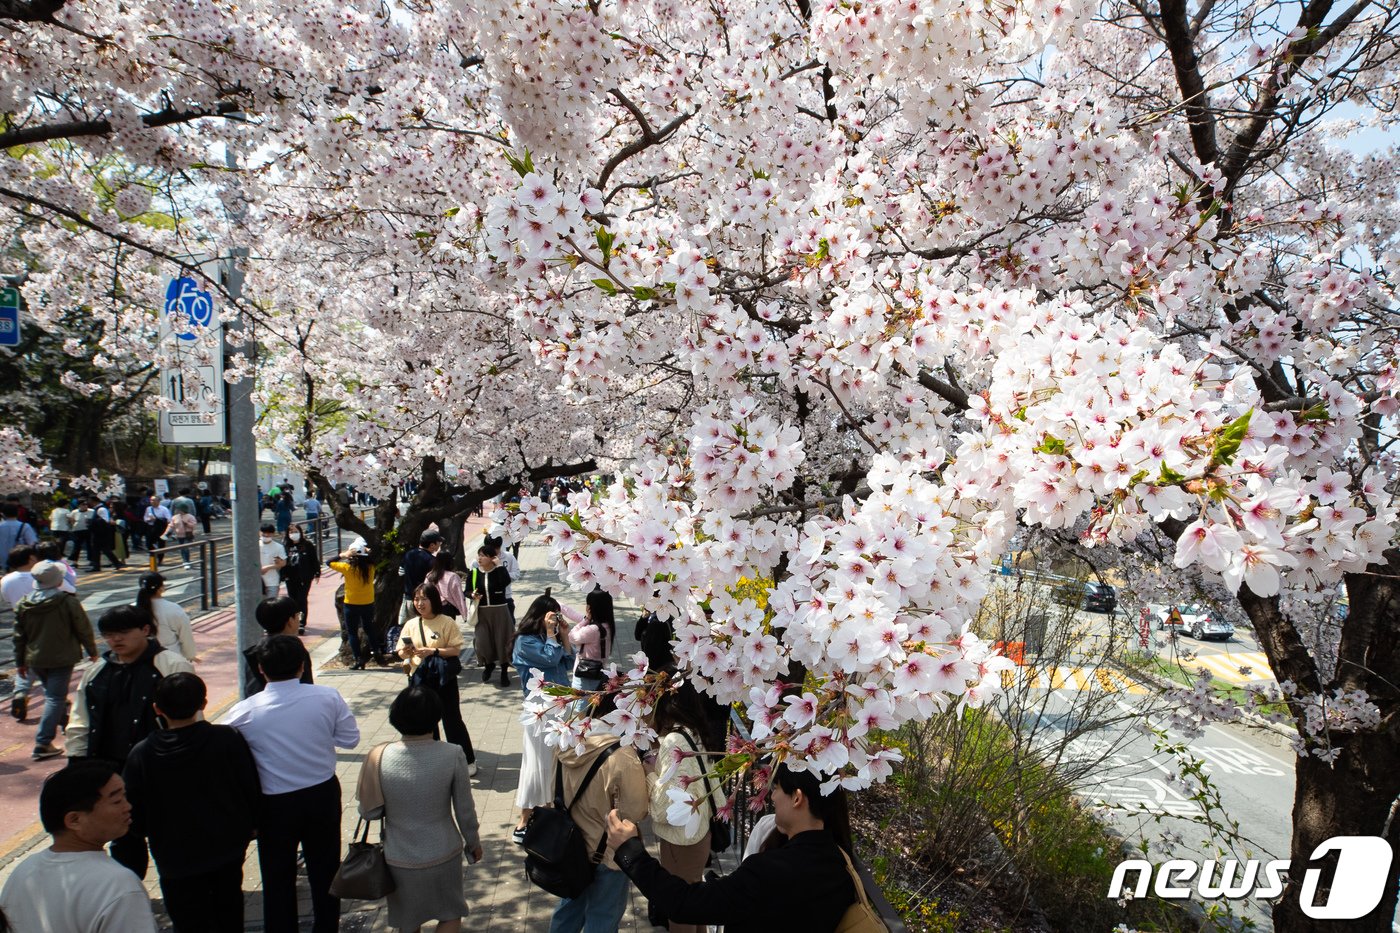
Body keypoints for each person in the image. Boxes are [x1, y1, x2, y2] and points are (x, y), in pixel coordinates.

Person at [607, 763, 859, 932]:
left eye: (777, 789)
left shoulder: (769, 871)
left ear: (797, 798)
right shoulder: (841, 864)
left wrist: (630, 852)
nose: (771, 797)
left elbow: (683, 904)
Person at [225, 635, 360, 933]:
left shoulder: (244, 712)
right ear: (302, 665)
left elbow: (226, 750)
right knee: (325, 871)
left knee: (276, 877)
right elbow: (350, 739)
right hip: (321, 793)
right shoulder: (327, 697)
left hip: (273, 803)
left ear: (260, 669)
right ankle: (326, 928)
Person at [123, 673, 260, 932]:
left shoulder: (142, 754)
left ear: (157, 709)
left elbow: (134, 810)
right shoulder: (226, 738)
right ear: (203, 704)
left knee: (187, 920)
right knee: (229, 912)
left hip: (174, 857)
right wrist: (251, 825)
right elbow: (249, 785)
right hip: (227, 848)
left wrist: (147, 832)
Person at [67, 605, 195, 877]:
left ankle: (177, 887)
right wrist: (77, 762)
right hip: (110, 768)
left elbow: (192, 717)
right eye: (108, 635)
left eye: (123, 633)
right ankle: (132, 889)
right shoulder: (97, 672)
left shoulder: (171, 665)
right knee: (122, 837)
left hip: (160, 766)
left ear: (145, 630)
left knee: (168, 831)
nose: (115, 641)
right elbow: (80, 720)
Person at [361, 685, 483, 933]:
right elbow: (464, 809)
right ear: (436, 718)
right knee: (451, 913)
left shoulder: (378, 756)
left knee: (408, 921)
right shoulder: (453, 753)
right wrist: (473, 843)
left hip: (398, 856)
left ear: (395, 716)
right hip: (444, 851)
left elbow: (369, 812)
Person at [0, 761, 157, 932]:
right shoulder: (118, 885)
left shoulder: (23, 871)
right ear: (74, 820)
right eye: (117, 801)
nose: (128, 807)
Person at [549, 699, 649, 933]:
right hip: (608, 853)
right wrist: (649, 777)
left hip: (570, 846)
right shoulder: (623, 755)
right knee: (603, 918)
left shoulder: (567, 738)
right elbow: (636, 812)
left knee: (568, 909)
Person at [645, 687, 724, 933]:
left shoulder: (674, 740)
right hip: (699, 834)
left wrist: (649, 774)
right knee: (693, 904)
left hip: (682, 841)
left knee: (679, 911)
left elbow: (664, 808)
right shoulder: (694, 731)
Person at [14, 560, 98, 759]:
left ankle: (63, 721)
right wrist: (92, 650)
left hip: (35, 657)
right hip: (62, 656)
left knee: (52, 693)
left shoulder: (23, 604)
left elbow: (19, 636)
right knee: (55, 697)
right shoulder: (67, 601)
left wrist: (20, 662)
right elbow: (82, 627)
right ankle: (43, 743)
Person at [509, 591, 573, 844]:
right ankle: (525, 818)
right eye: (551, 616)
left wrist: (564, 635)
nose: (555, 621)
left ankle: (550, 809)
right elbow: (549, 658)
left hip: (562, 702)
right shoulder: (525, 641)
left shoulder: (550, 637)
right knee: (537, 762)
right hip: (540, 707)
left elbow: (567, 661)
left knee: (558, 760)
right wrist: (550, 635)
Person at [396, 583, 477, 776]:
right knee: (425, 721)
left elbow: (456, 650)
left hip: (443, 678)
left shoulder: (446, 622)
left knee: (452, 720)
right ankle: (433, 762)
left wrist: (433, 651)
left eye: (424, 599)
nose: (420, 603)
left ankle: (467, 760)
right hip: (419, 678)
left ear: (433, 600)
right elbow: (400, 653)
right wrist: (405, 651)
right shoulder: (411, 624)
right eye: (416, 599)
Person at [245, 596, 315, 695]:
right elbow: (307, 685)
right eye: (298, 616)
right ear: (290, 621)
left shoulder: (255, 653)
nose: (299, 620)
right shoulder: (295, 650)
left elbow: (251, 690)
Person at [328, 542, 382, 669]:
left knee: (352, 632)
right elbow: (375, 557)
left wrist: (343, 554)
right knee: (369, 628)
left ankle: (358, 660)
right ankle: (377, 652)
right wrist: (367, 551)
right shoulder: (371, 567)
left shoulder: (347, 568)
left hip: (351, 604)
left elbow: (328, 563)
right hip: (368, 603)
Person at [469, 543, 513, 686]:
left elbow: (505, 582)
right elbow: (467, 590)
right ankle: (488, 665)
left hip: (500, 611)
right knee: (482, 642)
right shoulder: (474, 572)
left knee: (502, 641)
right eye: (479, 555)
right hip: (482, 612)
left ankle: (504, 672)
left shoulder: (499, 571)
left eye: (483, 555)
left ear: (491, 558)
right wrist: (472, 594)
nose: (479, 558)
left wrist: (499, 565)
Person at [135, 571, 197, 660]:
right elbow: (186, 636)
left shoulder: (133, 610)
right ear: (161, 588)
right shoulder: (173, 608)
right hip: (170, 658)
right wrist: (190, 656)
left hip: (141, 659)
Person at [566, 588, 616, 692]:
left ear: (591, 607)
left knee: (580, 706)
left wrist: (586, 620)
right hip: (598, 672)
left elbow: (571, 637)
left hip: (584, 676)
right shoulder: (608, 626)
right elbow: (572, 613)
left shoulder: (592, 629)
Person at [398, 529, 442, 626]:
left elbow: (400, 573)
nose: (440, 545)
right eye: (439, 542)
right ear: (432, 545)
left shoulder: (408, 554)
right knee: (424, 629)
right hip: (424, 601)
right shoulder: (432, 561)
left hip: (409, 599)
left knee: (411, 629)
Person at [282, 522, 320, 633]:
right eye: (291, 532)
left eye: (296, 532)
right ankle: (294, 621)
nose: (294, 534)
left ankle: (302, 623)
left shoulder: (307, 545)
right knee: (292, 600)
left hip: (304, 578)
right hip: (290, 577)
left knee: (301, 599)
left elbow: (314, 560)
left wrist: (317, 573)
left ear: (300, 532)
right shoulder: (285, 545)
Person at [426, 549, 469, 620]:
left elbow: (426, 591)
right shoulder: (453, 576)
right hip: (447, 609)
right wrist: (464, 613)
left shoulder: (430, 575)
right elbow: (458, 596)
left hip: (433, 607)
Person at [87, 497, 126, 571]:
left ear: (94, 501)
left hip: (101, 533)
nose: (89, 503)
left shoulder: (101, 509)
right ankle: (97, 566)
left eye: (90, 501)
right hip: (98, 532)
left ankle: (116, 563)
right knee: (97, 549)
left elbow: (105, 521)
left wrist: (92, 522)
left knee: (105, 549)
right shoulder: (97, 509)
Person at [2, 544, 38, 609]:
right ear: (32, 558)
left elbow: (7, 599)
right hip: (42, 616)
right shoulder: (41, 577)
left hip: (19, 616)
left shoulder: (5, 579)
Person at [259, 522, 287, 598]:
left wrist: (268, 567)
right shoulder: (255, 545)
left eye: (269, 533)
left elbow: (283, 563)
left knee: (271, 605)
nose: (266, 535)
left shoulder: (278, 547)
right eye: (264, 533)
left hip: (272, 581)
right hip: (257, 581)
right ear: (260, 533)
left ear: (273, 534)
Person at [166, 502, 198, 568]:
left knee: (185, 548)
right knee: (182, 548)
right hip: (179, 536)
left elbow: (194, 525)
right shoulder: (175, 517)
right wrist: (166, 533)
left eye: (179, 509)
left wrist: (187, 523)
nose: (177, 510)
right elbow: (171, 526)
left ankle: (187, 562)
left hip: (187, 535)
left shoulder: (190, 516)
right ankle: (185, 561)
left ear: (183, 509)